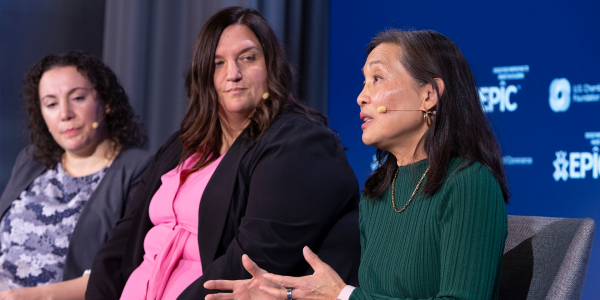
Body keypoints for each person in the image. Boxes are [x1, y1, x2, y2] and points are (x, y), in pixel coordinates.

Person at [206, 29, 510, 300]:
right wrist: (283, 296)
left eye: (377, 79)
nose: (361, 97)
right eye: (364, 82)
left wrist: (343, 295)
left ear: (428, 95)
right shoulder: (377, 195)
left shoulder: (469, 183)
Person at [85, 6, 360, 300]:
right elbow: (120, 243)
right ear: (204, 75)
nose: (233, 74)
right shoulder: (181, 145)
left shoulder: (300, 143)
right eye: (218, 63)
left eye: (248, 58)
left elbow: (250, 263)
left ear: (271, 67)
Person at [0, 51, 151, 300]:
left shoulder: (138, 169)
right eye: (51, 104)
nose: (65, 113)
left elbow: (120, 271)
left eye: (78, 98)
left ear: (106, 102)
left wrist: (29, 297)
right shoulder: (32, 159)